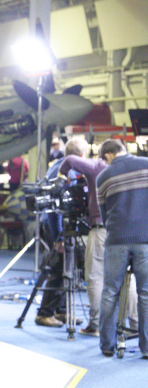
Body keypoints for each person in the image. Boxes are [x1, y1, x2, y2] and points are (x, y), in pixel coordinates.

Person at [96, 139, 148, 358]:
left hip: (116, 240)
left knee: (110, 292)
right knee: (146, 293)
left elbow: (104, 213)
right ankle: (147, 348)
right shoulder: (146, 165)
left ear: (108, 156)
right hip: (145, 239)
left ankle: (107, 345)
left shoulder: (103, 177)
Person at [56, 137, 108, 335]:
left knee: (94, 277)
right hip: (122, 230)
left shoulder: (96, 167)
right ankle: (132, 324)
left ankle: (95, 324)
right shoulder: (127, 169)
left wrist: (62, 175)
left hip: (100, 228)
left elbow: (70, 159)